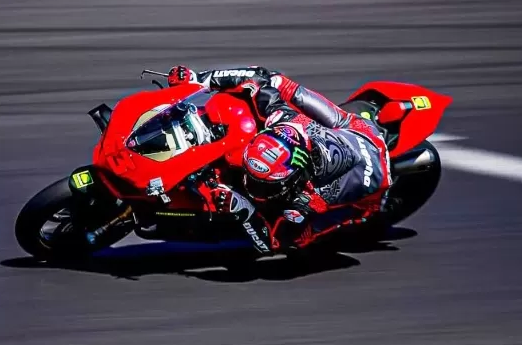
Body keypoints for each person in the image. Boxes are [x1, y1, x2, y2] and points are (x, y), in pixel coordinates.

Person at [166, 65, 394, 254]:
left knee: (301, 243)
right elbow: (258, 76)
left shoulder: (309, 199)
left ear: (289, 183)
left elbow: (270, 244)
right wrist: (198, 80)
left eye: (259, 184)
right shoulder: (284, 119)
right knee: (278, 83)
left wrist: (244, 208)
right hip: (353, 129)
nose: (248, 184)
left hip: (374, 175)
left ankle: (367, 214)